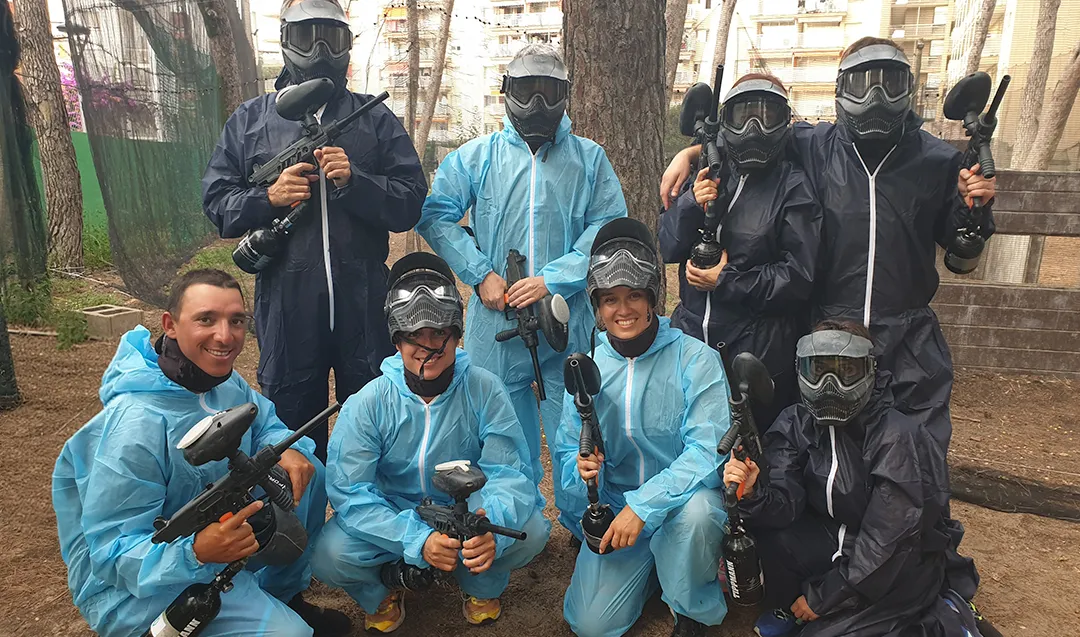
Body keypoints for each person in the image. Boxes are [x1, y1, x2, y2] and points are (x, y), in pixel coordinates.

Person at [660, 37, 996, 455]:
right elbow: (749, 135)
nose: (876, 96)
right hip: (827, 336)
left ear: (907, 87)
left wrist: (975, 206)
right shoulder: (817, 145)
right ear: (841, 88)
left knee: (914, 458)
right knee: (827, 457)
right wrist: (691, 154)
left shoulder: (939, 160)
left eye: (890, 84)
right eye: (862, 83)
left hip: (908, 341)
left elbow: (963, 261)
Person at [52, 269, 350, 637]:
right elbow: (111, 554)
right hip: (140, 585)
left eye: (236, 320)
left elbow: (262, 420)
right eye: (206, 319)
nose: (225, 337)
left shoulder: (219, 382)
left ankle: (281, 595)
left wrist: (281, 446)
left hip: (214, 537)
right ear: (170, 325)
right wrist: (195, 552)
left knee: (307, 472)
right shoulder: (134, 428)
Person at [201, 0, 427, 463]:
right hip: (287, 299)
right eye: (308, 37)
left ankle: (369, 528)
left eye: (334, 37)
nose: (321, 49)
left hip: (363, 299)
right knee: (289, 429)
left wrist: (357, 182)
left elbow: (410, 201)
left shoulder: (374, 118)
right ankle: (296, 529)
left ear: (348, 47)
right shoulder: (252, 120)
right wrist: (268, 198)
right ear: (286, 42)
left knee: (376, 416)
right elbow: (217, 202)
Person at [416, 43, 628, 499]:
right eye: (526, 90)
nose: (537, 104)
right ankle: (518, 525)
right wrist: (480, 274)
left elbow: (608, 226)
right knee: (501, 430)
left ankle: (582, 521)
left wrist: (555, 278)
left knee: (578, 426)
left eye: (549, 92)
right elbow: (436, 216)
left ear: (565, 95)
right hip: (497, 319)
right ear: (507, 91)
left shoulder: (589, 159)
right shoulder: (476, 157)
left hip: (566, 316)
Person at [309, 252, 550, 633]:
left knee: (531, 530)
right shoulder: (368, 403)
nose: (427, 346)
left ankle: (479, 583)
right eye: (414, 335)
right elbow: (351, 492)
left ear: (455, 334)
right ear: (396, 338)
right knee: (329, 554)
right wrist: (417, 540)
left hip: (471, 512)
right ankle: (383, 590)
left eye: (438, 333)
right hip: (396, 517)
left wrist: (489, 527)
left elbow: (510, 472)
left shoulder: (485, 388)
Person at [722, 319, 996, 637]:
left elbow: (889, 539)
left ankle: (943, 609)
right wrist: (754, 491)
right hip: (837, 541)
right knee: (770, 541)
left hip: (900, 562)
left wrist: (824, 596)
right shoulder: (795, 422)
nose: (829, 385)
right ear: (800, 371)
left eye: (844, 371)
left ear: (869, 370)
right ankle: (808, 607)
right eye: (818, 371)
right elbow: (786, 506)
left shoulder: (895, 436)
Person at [555, 218, 731, 637]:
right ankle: (655, 570)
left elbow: (709, 452)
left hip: (678, 507)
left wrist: (644, 506)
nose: (623, 310)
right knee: (590, 625)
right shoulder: (585, 369)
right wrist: (581, 473)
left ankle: (691, 606)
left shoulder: (696, 359)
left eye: (634, 295)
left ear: (653, 298)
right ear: (596, 306)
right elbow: (565, 453)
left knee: (702, 513)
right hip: (617, 512)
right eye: (610, 299)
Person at [659, 73, 820, 431]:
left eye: (767, 116)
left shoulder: (793, 186)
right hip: (692, 344)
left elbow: (799, 278)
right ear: (726, 120)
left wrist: (727, 280)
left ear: (785, 122)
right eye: (743, 115)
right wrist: (690, 203)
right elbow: (668, 245)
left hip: (758, 356)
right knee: (690, 447)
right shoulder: (708, 170)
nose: (754, 128)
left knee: (751, 465)